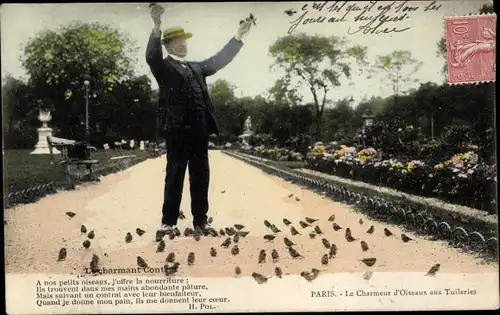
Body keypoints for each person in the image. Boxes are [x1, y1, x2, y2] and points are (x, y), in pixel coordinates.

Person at [146, 4, 253, 235]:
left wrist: (239, 36)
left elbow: (219, 59)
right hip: (176, 131)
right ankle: (168, 223)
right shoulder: (163, 67)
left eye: (185, 40)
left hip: (200, 130)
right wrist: (157, 26)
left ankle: (201, 221)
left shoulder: (197, 67)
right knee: (175, 174)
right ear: (169, 45)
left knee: (201, 176)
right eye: (178, 41)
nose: (184, 43)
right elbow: (151, 55)